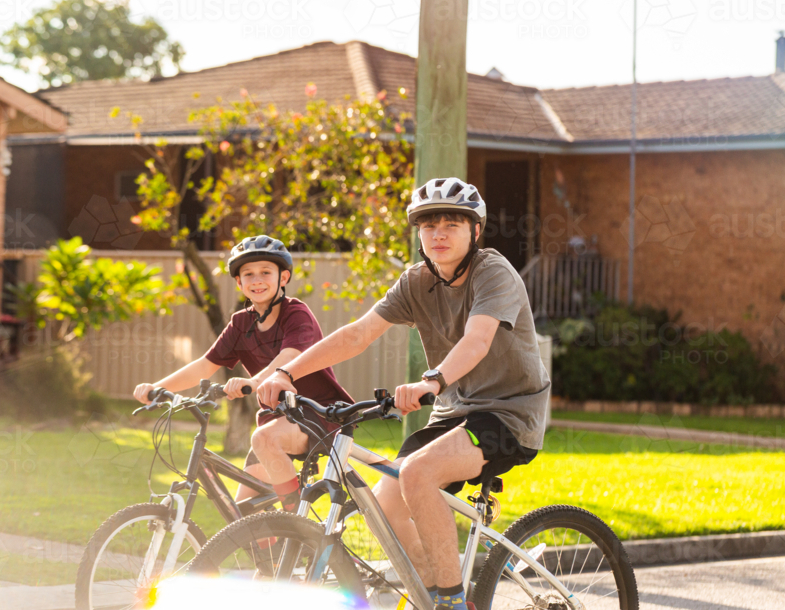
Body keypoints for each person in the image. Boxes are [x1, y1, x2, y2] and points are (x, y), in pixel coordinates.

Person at [257, 178, 550, 610]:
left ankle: (450, 602)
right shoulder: (416, 281)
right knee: (384, 503)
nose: (440, 234)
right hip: (453, 412)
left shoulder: (493, 272)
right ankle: (436, 591)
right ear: (418, 233)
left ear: (475, 230)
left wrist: (431, 381)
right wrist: (286, 371)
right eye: (429, 225)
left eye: (453, 223)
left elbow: (477, 340)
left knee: (417, 474)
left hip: (510, 414)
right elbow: (357, 334)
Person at [134, 235, 353, 512]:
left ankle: (300, 527)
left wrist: (254, 381)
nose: (256, 280)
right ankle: (277, 555)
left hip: (318, 413)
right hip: (279, 418)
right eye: (248, 274)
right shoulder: (241, 323)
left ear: (283, 277)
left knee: (263, 438)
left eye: (265, 272)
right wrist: (157, 388)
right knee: (244, 514)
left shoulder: (296, 313)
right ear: (239, 282)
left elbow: (290, 356)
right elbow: (205, 365)